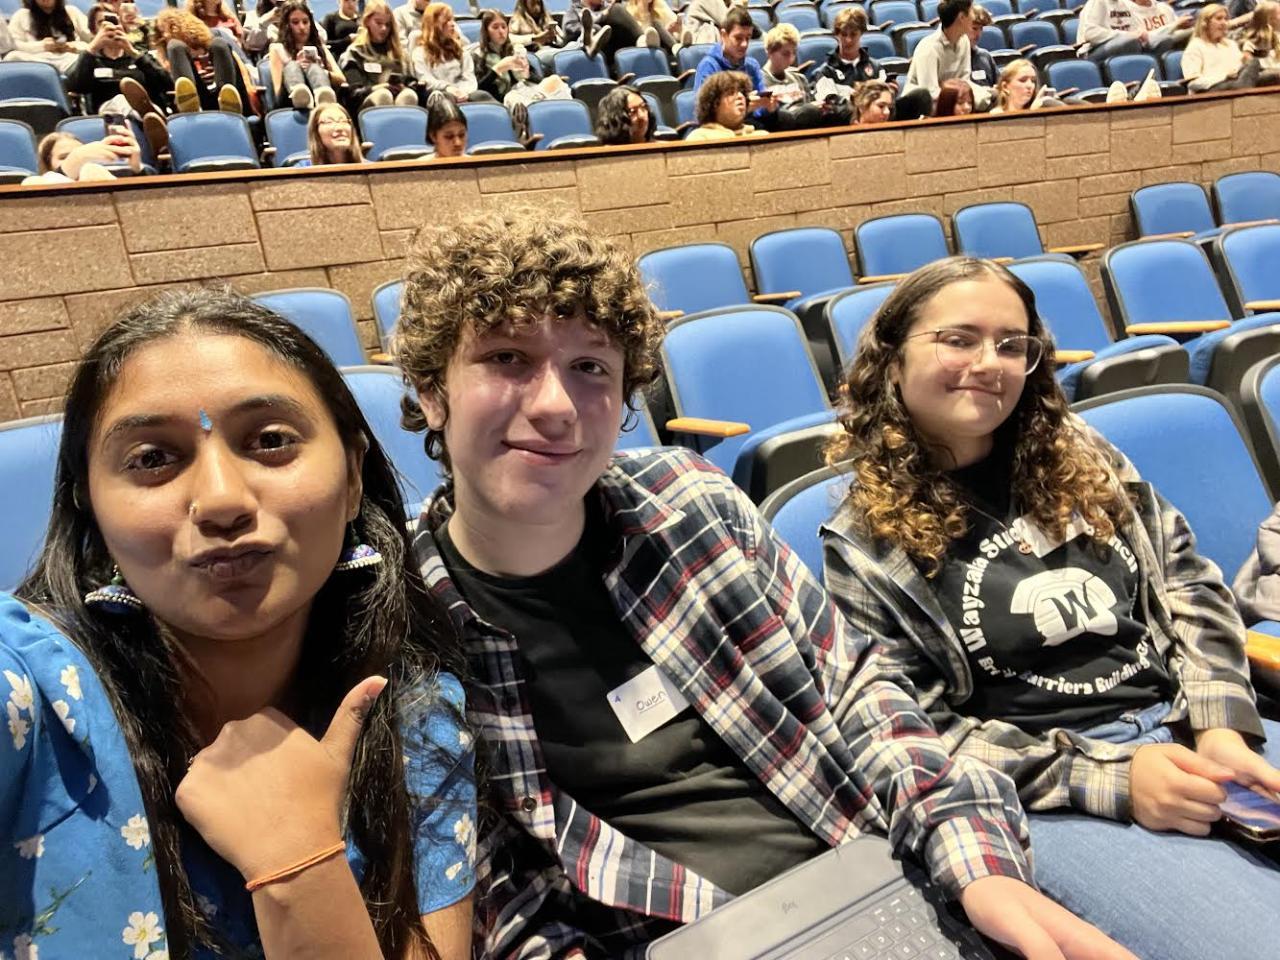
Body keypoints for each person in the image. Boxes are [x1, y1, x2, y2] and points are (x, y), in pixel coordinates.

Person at [392, 207, 1136, 960]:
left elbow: (856, 687)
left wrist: (971, 856)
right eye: (508, 357)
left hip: (876, 886)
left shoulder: (692, 503)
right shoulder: (402, 621)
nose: (555, 406)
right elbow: (492, 891)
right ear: (430, 389)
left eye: (590, 367)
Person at [821, 255, 1280, 960]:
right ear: (892, 357)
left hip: (1190, 721)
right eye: (958, 339)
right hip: (1055, 788)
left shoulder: (1078, 453)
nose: (990, 363)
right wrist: (1116, 779)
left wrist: (1221, 725)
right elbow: (921, 733)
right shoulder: (862, 541)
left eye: (1012, 345)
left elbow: (1187, 584)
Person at [1, 286, 475, 959]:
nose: (222, 500)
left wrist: (297, 861)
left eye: (271, 441)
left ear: (352, 477)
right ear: (91, 508)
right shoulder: (28, 693)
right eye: (152, 458)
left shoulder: (411, 708)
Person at [65, 3, 172, 114]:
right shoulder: (90, 60)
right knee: (120, 101)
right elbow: (72, 86)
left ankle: (144, 115)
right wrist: (93, 47)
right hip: (108, 117)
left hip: (146, 113)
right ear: (94, 31)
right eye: (102, 23)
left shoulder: (139, 56)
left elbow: (167, 84)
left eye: (114, 22)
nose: (110, 27)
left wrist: (132, 52)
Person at [903, 0, 992, 116]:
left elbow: (964, 81)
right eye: (971, 12)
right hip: (921, 111)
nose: (974, 16)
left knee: (991, 97)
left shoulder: (964, 41)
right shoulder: (928, 48)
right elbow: (930, 93)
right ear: (962, 17)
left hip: (955, 99)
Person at [151, 8, 245, 114]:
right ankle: (188, 99)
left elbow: (243, 67)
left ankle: (228, 99)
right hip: (198, 103)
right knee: (174, 46)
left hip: (226, 92)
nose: (164, 36)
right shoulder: (171, 53)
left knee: (219, 44)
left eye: (167, 31)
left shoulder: (216, 41)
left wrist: (216, 71)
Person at [472, 9, 571, 109]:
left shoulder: (513, 50)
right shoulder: (479, 56)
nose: (501, 31)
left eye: (504, 27)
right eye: (495, 27)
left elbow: (531, 77)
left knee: (555, 80)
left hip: (525, 90)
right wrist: (498, 69)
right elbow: (479, 89)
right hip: (505, 100)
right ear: (486, 31)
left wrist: (528, 73)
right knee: (514, 97)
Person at [760, 22, 848, 127]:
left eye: (794, 53)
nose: (791, 59)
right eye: (785, 54)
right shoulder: (759, 82)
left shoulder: (799, 78)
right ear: (769, 52)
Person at [410, 2, 496, 103]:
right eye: (447, 21)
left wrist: (463, 92)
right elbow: (425, 79)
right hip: (438, 93)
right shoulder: (419, 52)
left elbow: (469, 77)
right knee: (443, 98)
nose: (452, 24)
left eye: (452, 20)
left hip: (463, 92)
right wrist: (448, 88)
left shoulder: (460, 50)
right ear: (434, 25)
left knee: (482, 95)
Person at [340, 0, 417, 109]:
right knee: (383, 95)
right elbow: (354, 94)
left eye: (387, 25)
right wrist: (379, 88)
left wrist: (404, 86)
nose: (384, 28)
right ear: (367, 22)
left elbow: (412, 82)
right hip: (366, 103)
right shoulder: (355, 53)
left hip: (398, 99)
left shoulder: (400, 54)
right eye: (378, 23)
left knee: (409, 95)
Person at [270, 0, 344, 109]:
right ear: (287, 25)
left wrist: (322, 70)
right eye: (295, 22)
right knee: (292, 66)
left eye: (305, 22)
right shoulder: (277, 49)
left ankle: (323, 96)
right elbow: (277, 90)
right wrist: (298, 67)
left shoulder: (320, 47)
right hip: (289, 100)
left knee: (314, 67)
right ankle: (299, 93)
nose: (302, 27)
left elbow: (341, 79)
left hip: (319, 101)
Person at [1183, 2, 1277, 89]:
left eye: (1226, 19)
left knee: (1269, 74)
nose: (1224, 23)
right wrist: (1225, 76)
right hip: (1212, 90)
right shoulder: (1195, 47)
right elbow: (1192, 83)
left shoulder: (1231, 44)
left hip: (1238, 83)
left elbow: (1241, 70)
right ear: (1205, 23)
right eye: (1219, 19)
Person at [1076, 0, 1192, 64]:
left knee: (1162, 41)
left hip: (1125, 42)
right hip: (1091, 52)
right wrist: (1126, 35)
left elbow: (1138, 32)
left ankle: (1151, 77)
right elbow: (1090, 34)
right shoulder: (1098, 2)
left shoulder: (1124, 4)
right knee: (1131, 41)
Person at [21, 125, 142, 183]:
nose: (78, 161)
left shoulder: (96, 173)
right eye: (64, 157)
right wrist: (76, 159)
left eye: (85, 155)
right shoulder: (37, 182)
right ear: (48, 163)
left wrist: (137, 169)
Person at [3, 0, 92, 72]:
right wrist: (42, 46)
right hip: (37, 61)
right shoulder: (21, 15)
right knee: (12, 56)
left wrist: (73, 47)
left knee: (87, 59)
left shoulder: (71, 12)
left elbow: (92, 41)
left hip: (68, 60)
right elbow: (13, 46)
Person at [685, 68, 767, 139]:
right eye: (731, 93)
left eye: (742, 92)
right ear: (714, 103)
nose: (740, 96)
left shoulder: (761, 136)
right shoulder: (699, 138)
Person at [990, 58, 1064, 112]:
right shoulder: (996, 115)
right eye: (1022, 80)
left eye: (1033, 81)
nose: (1030, 85)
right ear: (1005, 87)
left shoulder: (1042, 107)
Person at [593, 83, 657, 142]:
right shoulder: (608, 150)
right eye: (633, 111)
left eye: (644, 107)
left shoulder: (660, 147)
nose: (642, 116)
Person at [426, 89, 468, 156]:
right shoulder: (420, 163)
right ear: (433, 136)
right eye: (449, 137)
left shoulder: (478, 162)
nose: (458, 143)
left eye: (462, 135)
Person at [1241, 0, 1280, 69]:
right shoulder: (1250, 45)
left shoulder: (1278, 38)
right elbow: (1250, 70)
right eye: (1279, 13)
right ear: (1268, 19)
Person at [967, 4, 997, 88]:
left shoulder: (985, 56)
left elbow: (998, 86)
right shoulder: (951, 57)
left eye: (981, 29)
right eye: (974, 28)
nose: (978, 34)